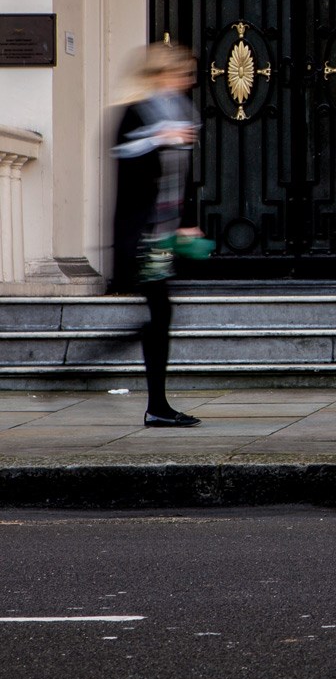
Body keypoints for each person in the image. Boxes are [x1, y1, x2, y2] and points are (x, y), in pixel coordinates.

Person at [110, 41, 205, 428]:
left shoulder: (180, 112)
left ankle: (157, 403)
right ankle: (155, 405)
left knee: (160, 312)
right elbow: (123, 157)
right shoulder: (135, 112)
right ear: (161, 74)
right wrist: (159, 136)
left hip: (164, 234)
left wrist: (184, 222)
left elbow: (175, 179)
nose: (187, 81)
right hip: (144, 235)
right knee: (160, 312)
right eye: (181, 73)